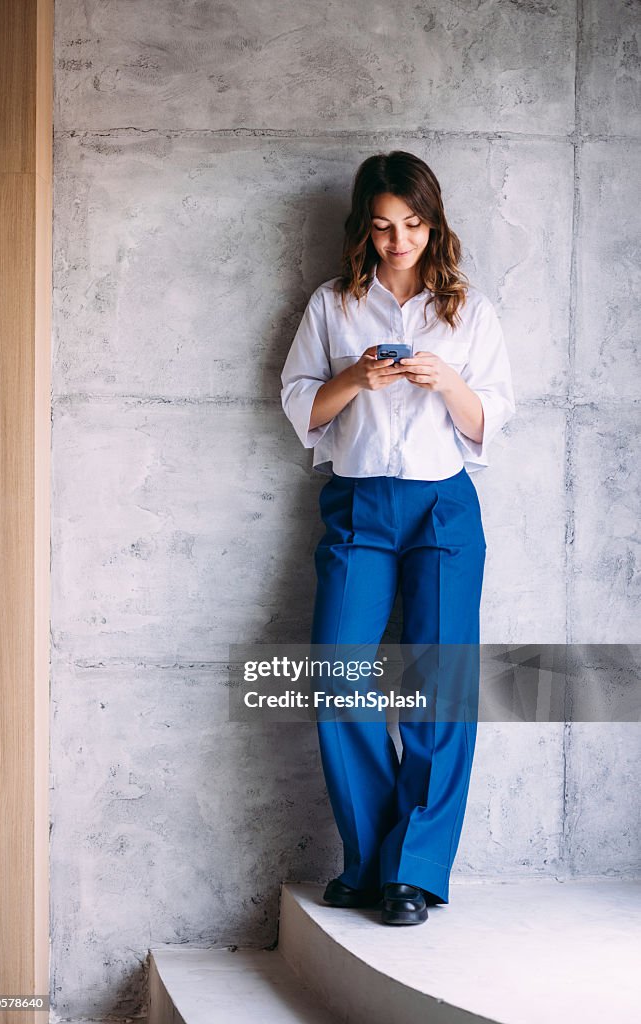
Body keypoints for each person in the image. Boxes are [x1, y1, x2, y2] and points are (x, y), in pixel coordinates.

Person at [280, 150, 515, 926]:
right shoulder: (332, 304)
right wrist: (355, 380)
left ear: (432, 223)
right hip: (357, 504)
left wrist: (446, 380)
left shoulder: (469, 310)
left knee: (437, 692)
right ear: (363, 229)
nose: (397, 240)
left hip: (444, 508)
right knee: (336, 680)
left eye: (411, 224)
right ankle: (373, 859)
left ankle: (413, 872)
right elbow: (300, 407)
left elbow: (490, 423)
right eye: (381, 227)